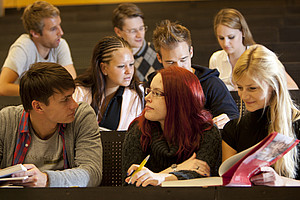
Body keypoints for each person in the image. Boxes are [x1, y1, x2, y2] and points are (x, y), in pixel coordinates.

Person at [0, 62, 102, 187]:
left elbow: (92, 174)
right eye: (65, 99)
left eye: (72, 96)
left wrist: (46, 179)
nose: (74, 105)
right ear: (38, 106)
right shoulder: (6, 120)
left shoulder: (81, 116)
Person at [122, 67, 221, 187]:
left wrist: (157, 177)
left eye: (157, 93)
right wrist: (177, 168)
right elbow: (131, 184)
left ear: (179, 99)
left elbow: (202, 178)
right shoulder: (139, 128)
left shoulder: (206, 130)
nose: (147, 98)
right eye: (149, 91)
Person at [222, 44, 300, 186]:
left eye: (252, 88)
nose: (243, 95)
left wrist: (281, 181)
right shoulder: (233, 130)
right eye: (239, 87)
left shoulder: (297, 125)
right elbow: (229, 186)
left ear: (274, 85)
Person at [152, 19, 239, 129]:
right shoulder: (154, 87)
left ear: (191, 52)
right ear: (159, 58)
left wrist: (227, 120)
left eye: (183, 60)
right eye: (170, 62)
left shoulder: (211, 84)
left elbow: (233, 117)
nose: (179, 67)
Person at [209, 8, 298, 91]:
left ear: (243, 32)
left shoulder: (259, 53)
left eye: (231, 37)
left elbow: (292, 87)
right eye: (221, 38)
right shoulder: (216, 58)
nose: (225, 43)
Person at [0, 1, 76, 96]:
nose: (60, 32)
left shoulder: (60, 43)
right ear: (35, 33)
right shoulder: (22, 47)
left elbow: (71, 81)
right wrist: (41, 92)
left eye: (59, 25)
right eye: (53, 29)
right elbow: (2, 87)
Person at [73, 36, 144, 131]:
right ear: (104, 68)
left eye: (131, 64)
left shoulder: (138, 94)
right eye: (121, 66)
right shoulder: (80, 92)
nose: (129, 71)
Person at [112, 3, 163, 82]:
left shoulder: (159, 53)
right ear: (118, 32)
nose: (139, 35)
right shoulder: (113, 58)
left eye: (141, 28)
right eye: (133, 31)